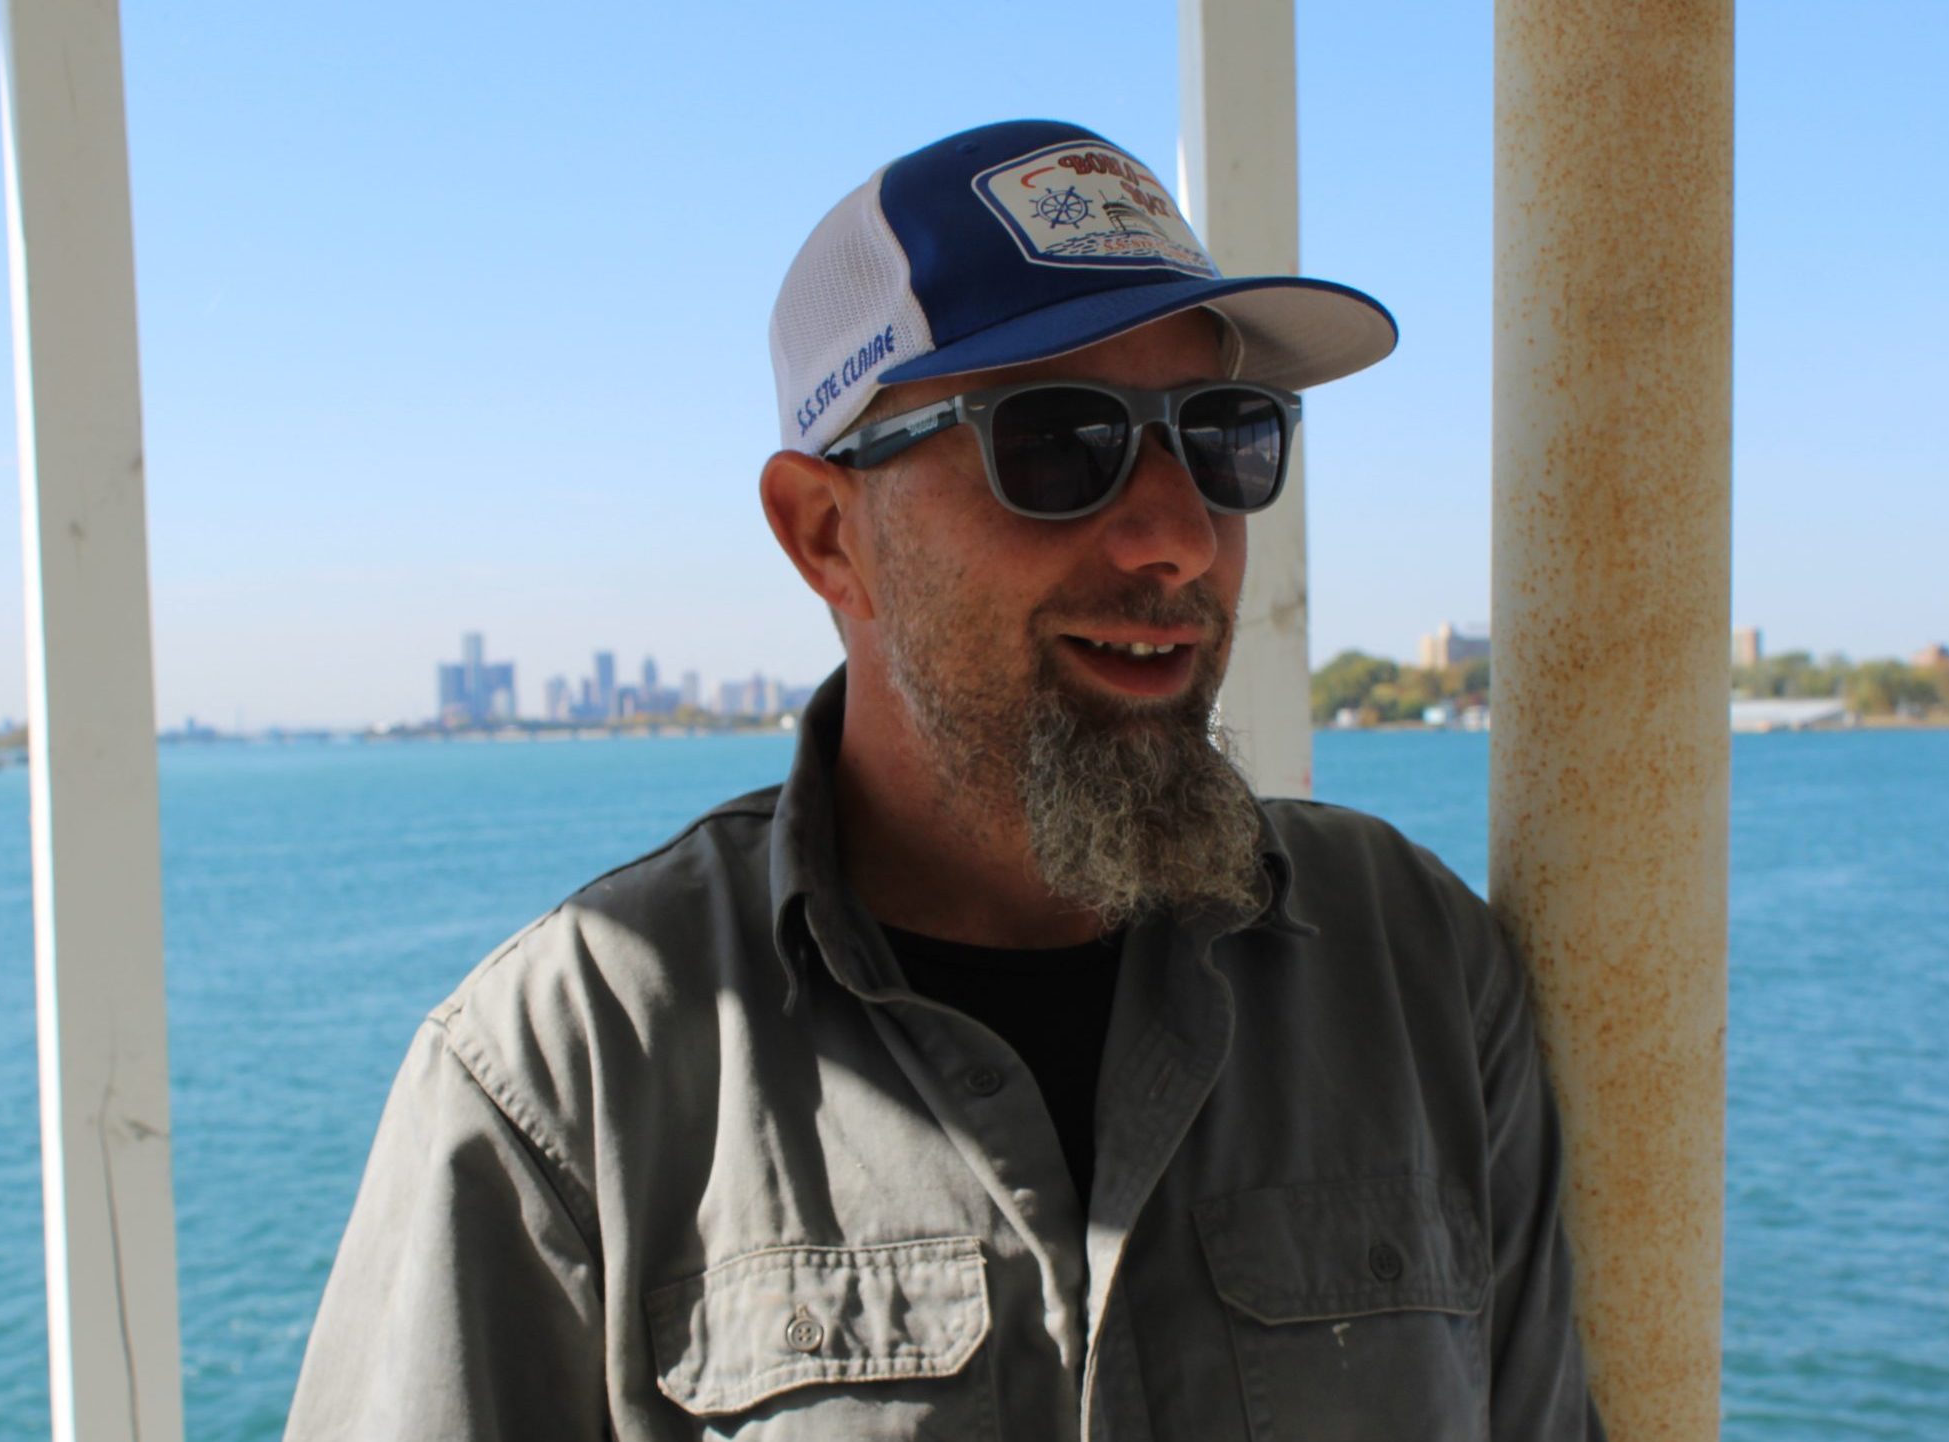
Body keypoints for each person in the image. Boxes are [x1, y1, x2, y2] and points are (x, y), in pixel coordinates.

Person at [287, 118, 1602, 1441]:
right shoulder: (564, 1079)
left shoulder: (1417, 968)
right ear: (825, 533)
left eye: (1227, 435)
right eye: (1055, 445)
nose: (1180, 534)